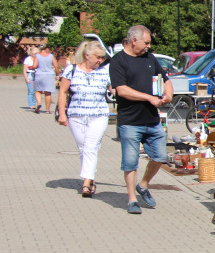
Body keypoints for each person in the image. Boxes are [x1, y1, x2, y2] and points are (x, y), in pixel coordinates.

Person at [109, 25, 172, 215]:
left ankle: (143, 185)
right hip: (130, 121)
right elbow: (121, 90)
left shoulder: (149, 58)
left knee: (160, 156)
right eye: (146, 42)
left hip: (152, 120)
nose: (149, 46)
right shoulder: (118, 61)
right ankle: (131, 199)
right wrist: (148, 98)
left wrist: (168, 94)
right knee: (130, 162)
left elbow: (165, 78)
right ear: (134, 40)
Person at [57, 41, 112, 197]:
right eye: (98, 57)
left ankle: (87, 182)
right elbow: (63, 92)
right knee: (84, 148)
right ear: (87, 56)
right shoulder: (71, 70)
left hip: (99, 115)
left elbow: (115, 90)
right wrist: (62, 113)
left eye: (102, 58)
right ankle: (91, 177)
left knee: (90, 146)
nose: (100, 61)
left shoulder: (104, 72)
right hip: (76, 115)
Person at [33, 45, 57, 114]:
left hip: (39, 74)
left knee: (38, 91)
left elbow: (35, 66)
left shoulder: (37, 56)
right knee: (48, 93)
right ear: (47, 48)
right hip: (49, 75)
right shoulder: (51, 56)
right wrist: (57, 74)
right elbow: (56, 66)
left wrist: (31, 67)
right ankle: (47, 110)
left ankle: (39, 103)